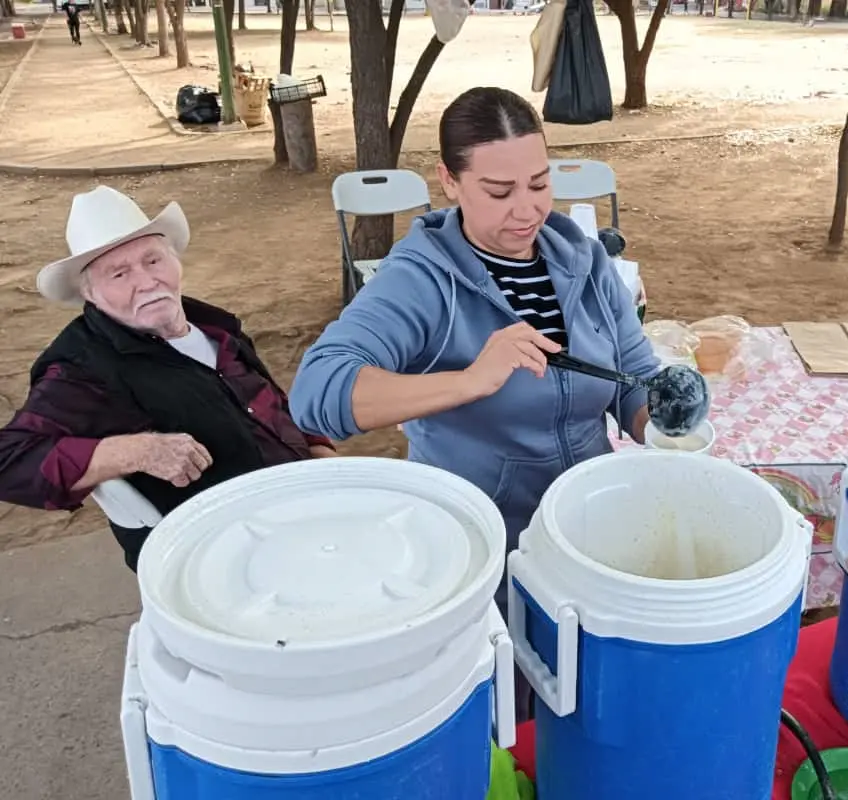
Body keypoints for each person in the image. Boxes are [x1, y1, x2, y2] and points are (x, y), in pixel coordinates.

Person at [289, 85, 659, 586]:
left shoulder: (582, 259)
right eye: (500, 192)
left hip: (585, 528)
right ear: (449, 181)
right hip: (480, 548)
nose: (528, 210)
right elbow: (317, 392)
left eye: (539, 184)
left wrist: (660, 421)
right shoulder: (422, 279)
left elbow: (633, 375)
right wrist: (469, 380)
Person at [0, 186, 335, 571]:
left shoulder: (213, 326)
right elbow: (10, 460)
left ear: (175, 262)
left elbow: (266, 403)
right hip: (218, 556)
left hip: (301, 510)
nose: (146, 282)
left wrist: (319, 456)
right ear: (90, 295)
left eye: (153, 261)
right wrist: (138, 451)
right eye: (119, 273)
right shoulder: (83, 368)